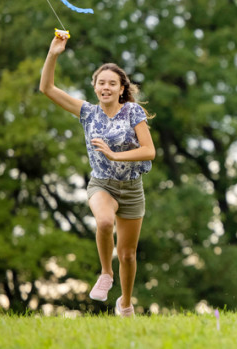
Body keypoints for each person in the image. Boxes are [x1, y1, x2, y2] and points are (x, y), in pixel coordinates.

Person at [40, 32, 156, 317]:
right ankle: (106, 274)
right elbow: (47, 88)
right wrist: (53, 53)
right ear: (94, 87)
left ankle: (125, 304)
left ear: (121, 89)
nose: (106, 87)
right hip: (101, 184)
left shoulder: (133, 112)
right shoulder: (87, 113)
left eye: (112, 84)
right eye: (101, 83)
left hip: (131, 188)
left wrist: (116, 154)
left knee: (128, 255)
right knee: (104, 222)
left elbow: (149, 151)